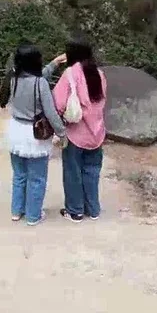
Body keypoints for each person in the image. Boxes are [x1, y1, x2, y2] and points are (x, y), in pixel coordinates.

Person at [0, 44, 65, 226]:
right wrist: (61, 132)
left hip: (16, 130)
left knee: (19, 175)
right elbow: (50, 112)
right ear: (35, 61)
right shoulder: (40, 83)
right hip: (34, 135)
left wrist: (55, 63)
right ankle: (33, 215)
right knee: (37, 178)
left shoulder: (13, 78)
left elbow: (36, 78)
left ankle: (16, 211)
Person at [44, 38, 107, 222]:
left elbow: (58, 104)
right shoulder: (99, 74)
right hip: (97, 133)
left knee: (73, 173)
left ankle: (75, 211)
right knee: (92, 172)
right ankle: (93, 209)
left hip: (75, 134)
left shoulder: (70, 74)